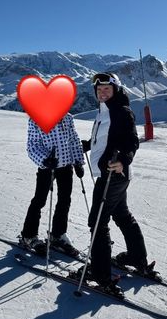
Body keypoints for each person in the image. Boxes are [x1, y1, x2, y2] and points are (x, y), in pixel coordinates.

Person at [81, 72, 151, 295]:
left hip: (113, 174)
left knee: (97, 222)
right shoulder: (105, 111)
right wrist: (85, 145)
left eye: (107, 90)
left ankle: (100, 274)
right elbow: (104, 140)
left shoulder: (120, 111)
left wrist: (123, 159)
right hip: (114, 175)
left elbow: (131, 141)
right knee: (122, 215)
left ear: (116, 90)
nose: (102, 93)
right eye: (99, 90)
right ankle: (136, 257)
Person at [18, 113, 85, 256]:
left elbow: (73, 140)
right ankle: (28, 235)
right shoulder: (36, 119)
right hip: (48, 167)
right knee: (40, 200)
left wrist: (78, 161)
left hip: (66, 165)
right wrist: (45, 160)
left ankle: (58, 235)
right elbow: (33, 146)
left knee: (64, 200)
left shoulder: (67, 117)